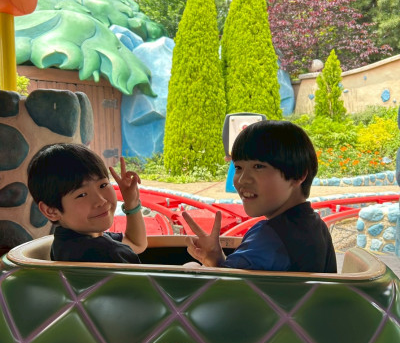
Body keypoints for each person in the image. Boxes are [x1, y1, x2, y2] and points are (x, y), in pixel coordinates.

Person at [183, 120, 337, 272]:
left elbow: (222, 285)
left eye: (258, 166)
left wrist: (193, 269)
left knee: (189, 267)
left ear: (298, 175)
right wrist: (215, 259)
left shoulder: (269, 238)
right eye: (238, 167)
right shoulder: (317, 227)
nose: (242, 180)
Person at [27, 143, 147, 263]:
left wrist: (131, 203)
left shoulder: (67, 241)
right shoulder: (108, 253)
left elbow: (136, 244)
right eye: (82, 195)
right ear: (51, 211)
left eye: (103, 185)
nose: (101, 201)